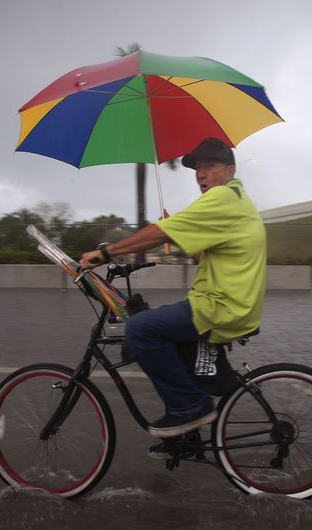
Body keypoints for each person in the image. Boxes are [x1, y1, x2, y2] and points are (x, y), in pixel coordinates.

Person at [79, 137, 267, 448]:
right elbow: (204, 257)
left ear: (230, 170)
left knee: (140, 328)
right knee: (169, 341)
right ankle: (186, 433)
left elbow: (158, 233)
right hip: (224, 303)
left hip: (219, 307)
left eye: (210, 166)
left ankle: (190, 408)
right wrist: (178, 234)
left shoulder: (223, 198)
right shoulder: (235, 201)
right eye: (197, 168)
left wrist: (107, 252)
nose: (201, 174)